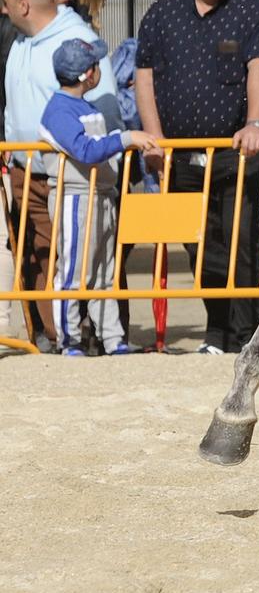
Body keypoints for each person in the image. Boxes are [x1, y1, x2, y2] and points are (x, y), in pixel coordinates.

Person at [133, 0, 259, 354]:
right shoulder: (161, 13)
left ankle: (246, 336)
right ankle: (218, 331)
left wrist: (255, 123)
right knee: (198, 244)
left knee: (242, 243)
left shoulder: (254, 7)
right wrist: (154, 140)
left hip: (235, 153)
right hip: (179, 155)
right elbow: (144, 78)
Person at [40, 38, 159, 355]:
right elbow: (83, 150)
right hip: (75, 199)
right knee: (73, 272)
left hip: (101, 195)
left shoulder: (84, 106)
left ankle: (113, 338)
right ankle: (69, 341)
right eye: (94, 66)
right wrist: (126, 138)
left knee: (105, 274)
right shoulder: (59, 110)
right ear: (85, 74)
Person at [3, 0, 97, 349]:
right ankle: (55, 336)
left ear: (23, 5)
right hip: (26, 172)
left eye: (7, 5)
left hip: (70, 174)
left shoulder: (77, 40)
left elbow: (100, 111)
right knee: (41, 257)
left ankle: (90, 334)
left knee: (82, 258)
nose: (4, 12)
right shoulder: (21, 43)